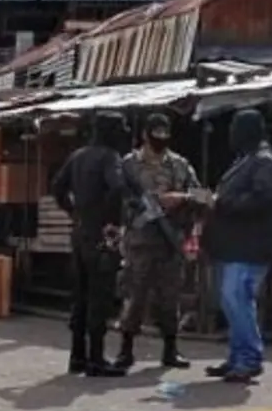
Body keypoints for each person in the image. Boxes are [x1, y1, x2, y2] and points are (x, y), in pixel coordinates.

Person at [51, 111, 141, 377]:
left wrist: (74, 212)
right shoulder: (110, 157)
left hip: (80, 234)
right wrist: (111, 220)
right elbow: (115, 187)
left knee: (80, 297)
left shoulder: (78, 156)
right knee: (99, 298)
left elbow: (57, 187)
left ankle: (76, 357)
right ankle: (95, 359)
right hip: (102, 237)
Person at [202, 109, 272, 384]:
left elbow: (263, 199)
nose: (231, 135)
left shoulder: (265, 161)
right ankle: (237, 358)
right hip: (234, 246)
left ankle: (249, 359)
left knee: (238, 300)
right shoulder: (247, 159)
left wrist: (222, 203)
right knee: (232, 301)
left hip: (250, 247)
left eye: (236, 129)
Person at [116, 113, 201, 370]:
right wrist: (135, 207)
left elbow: (203, 195)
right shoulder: (129, 165)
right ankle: (126, 351)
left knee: (170, 298)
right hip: (139, 242)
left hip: (170, 241)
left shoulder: (180, 165)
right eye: (156, 135)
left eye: (165, 135)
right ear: (145, 135)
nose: (160, 140)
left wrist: (182, 197)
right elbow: (116, 196)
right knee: (135, 297)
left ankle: (170, 350)